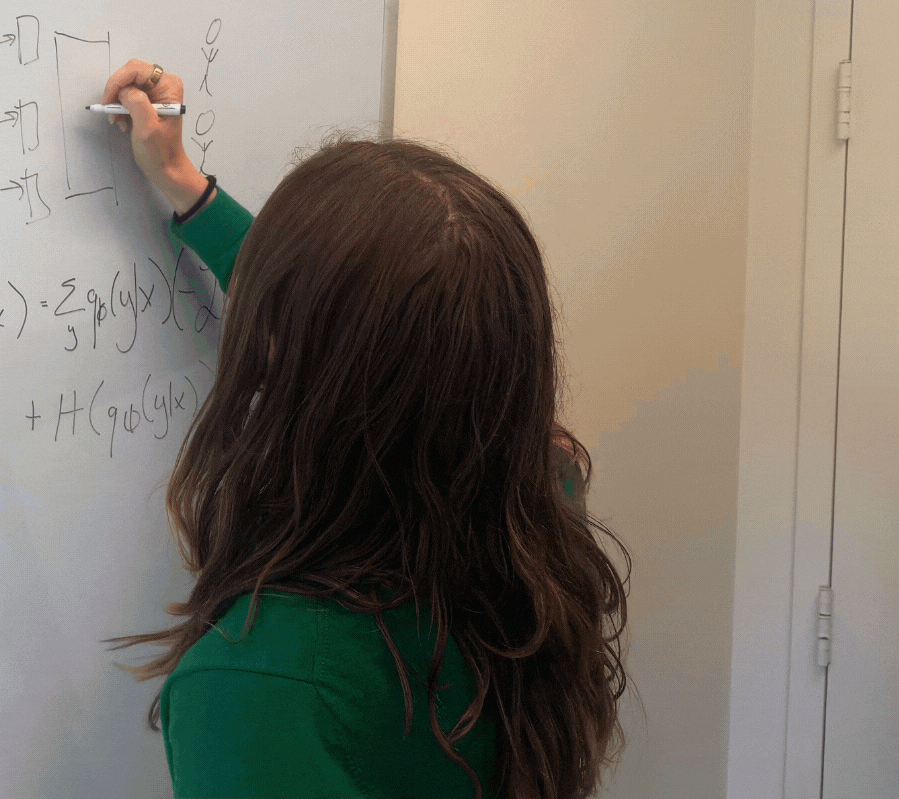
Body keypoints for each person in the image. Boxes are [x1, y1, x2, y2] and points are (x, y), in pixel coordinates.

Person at [99, 60, 629, 799]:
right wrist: (188, 186)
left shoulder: (262, 681)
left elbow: (351, 324)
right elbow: (382, 326)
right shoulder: (541, 488)